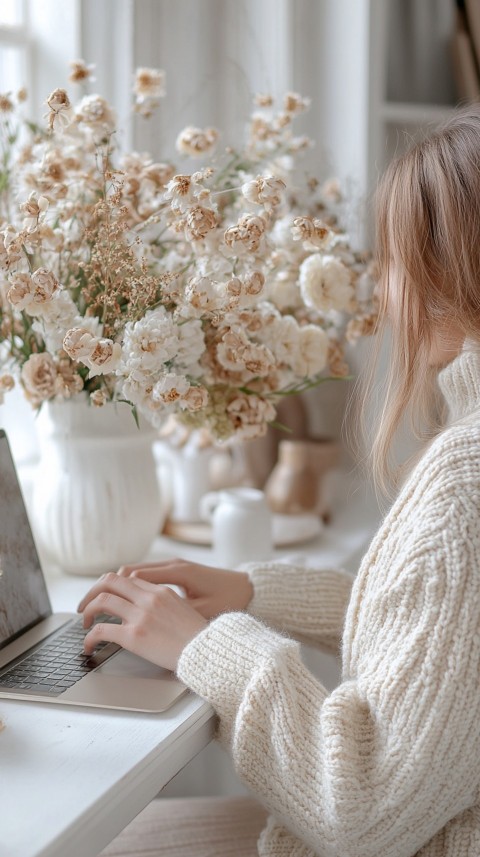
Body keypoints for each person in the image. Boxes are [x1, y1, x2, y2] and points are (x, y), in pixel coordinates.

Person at [82, 106, 480, 856]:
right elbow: (438, 638)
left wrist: (208, 644)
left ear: (449, 276)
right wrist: (253, 591)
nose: (381, 290)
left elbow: (360, 809)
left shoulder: (467, 484)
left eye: (392, 262)